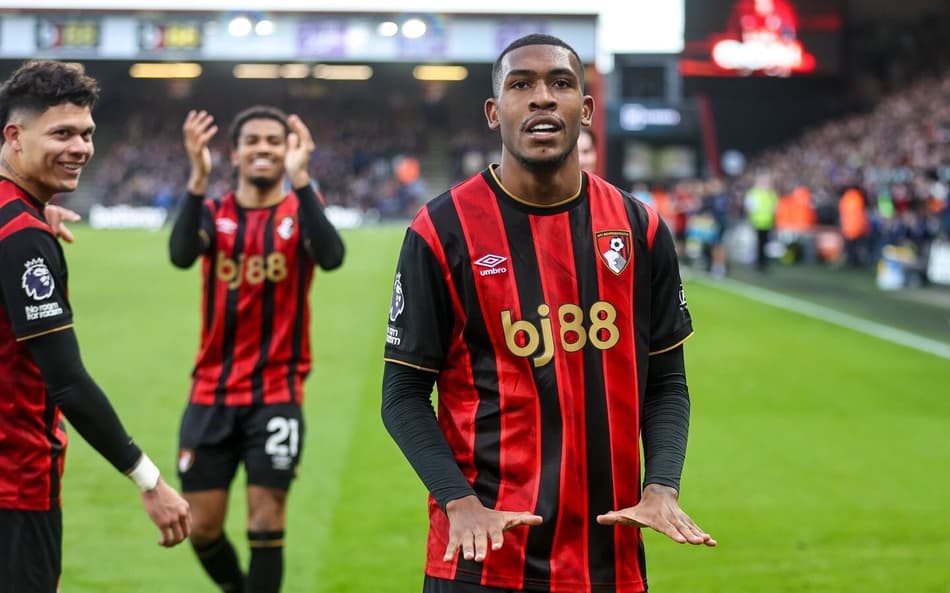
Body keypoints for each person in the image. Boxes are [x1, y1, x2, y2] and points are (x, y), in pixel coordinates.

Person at [382, 34, 715, 593]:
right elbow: (403, 395)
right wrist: (459, 503)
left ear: (584, 110)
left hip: (607, 561)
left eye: (560, 83)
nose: (542, 97)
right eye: (521, 85)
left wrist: (661, 487)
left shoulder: (641, 229)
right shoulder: (441, 231)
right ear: (495, 112)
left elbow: (667, 384)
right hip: (479, 557)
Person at [0, 60, 191, 593]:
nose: (80, 147)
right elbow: (67, 381)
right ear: (14, 137)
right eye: (61, 133)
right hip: (16, 483)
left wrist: (33, 215)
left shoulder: (18, 222)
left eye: (86, 134)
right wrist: (148, 479)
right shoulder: (21, 236)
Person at [168, 105, 345, 593]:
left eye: (274, 140)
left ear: (288, 149)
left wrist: (302, 178)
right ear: (235, 151)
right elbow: (181, 254)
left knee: (267, 517)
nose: (263, 148)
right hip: (211, 392)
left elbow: (331, 257)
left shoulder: (299, 211)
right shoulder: (212, 210)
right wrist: (197, 177)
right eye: (253, 140)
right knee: (202, 527)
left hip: (276, 392)